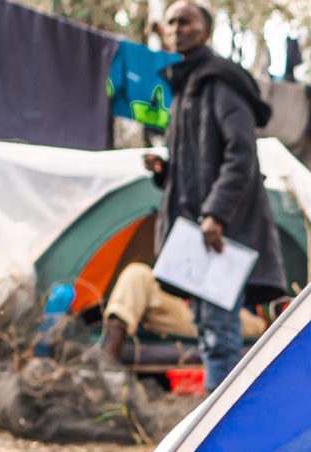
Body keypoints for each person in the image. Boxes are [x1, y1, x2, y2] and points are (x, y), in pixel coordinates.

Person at [145, 1, 286, 393]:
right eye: (171, 21)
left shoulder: (220, 83)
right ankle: (214, 421)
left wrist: (216, 215)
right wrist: (165, 172)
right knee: (209, 330)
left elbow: (241, 153)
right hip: (201, 232)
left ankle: (218, 430)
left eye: (185, 21)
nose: (176, 28)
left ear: (205, 31)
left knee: (221, 336)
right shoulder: (186, 87)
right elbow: (197, 166)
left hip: (224, 232)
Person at [97, 262, 265, 365]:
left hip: (229, 310)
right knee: (136, 273)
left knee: (255, 325)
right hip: (182, 302)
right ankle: (105, 365)